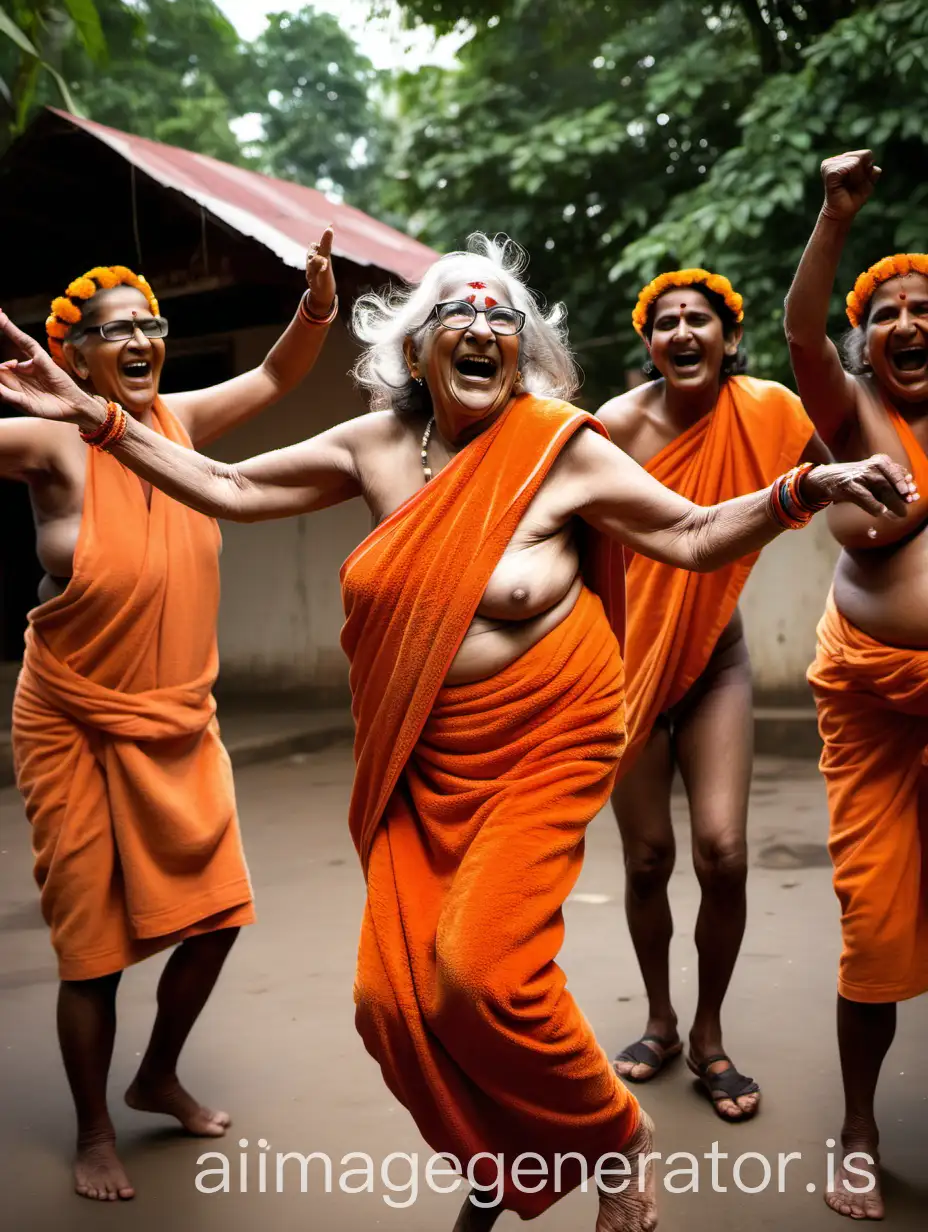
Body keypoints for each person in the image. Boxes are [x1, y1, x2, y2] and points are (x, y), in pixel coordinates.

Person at [0, 235, 914, 1232]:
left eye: (501, 318)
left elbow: (689, 535)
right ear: (418, 345)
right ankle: (499, 1165)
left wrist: (798, 490)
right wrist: (97, 418)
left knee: (478, 975)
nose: (480, 327)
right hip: (421, 761)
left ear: (521, 352)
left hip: (542, 746)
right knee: (392, 1001)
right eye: (456, 313)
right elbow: (231, 487)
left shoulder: (560, 446)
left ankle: (615, 1133)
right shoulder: (374, 446)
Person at [0, 231, 338, 1202]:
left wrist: (314, 302)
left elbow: (278, 375)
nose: (141, 338)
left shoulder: (177, 422)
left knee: (220, 913)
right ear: (75, 356)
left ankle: (157, 1072)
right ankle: (95, 1127)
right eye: (115, 330)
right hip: (73, 721)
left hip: (180, 716)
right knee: (92, 949)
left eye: (150, 322)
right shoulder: (47, 440)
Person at [596, 270, 829, 1121]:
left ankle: (708, 1034)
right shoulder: (615, 427)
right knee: (648, 858)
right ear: (649, 343)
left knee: (722, 853)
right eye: (666, 323)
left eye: (700, 320)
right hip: (623, 672)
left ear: (730, 339)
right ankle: (658, 1019)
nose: (683, 332)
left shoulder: (770, 410)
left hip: (715, 664)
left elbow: (836, 471)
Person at [784, 149, 928, 1222]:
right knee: (874, 925)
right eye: (887, 313)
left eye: (926, 308)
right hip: (873, 705)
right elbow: (798, 330)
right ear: (864, 340)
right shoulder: (848, 415)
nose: (909, 323)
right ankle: (860, 1129)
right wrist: (836, 219)